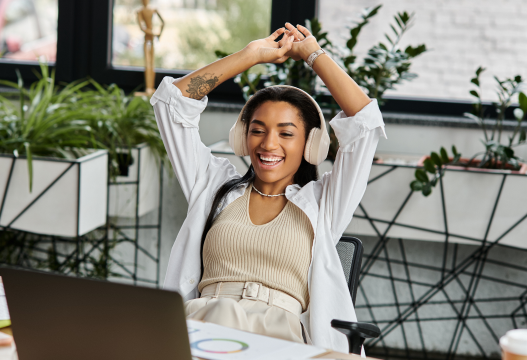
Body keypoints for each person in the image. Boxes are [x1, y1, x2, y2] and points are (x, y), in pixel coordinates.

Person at [150, 23, 386, 352]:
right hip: (203, 327)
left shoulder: (323, 203)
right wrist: (250, 56)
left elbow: (365, 125)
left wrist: (313, 55)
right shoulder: (213, 185)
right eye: (258, 130)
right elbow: (172, 103)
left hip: (280, 340)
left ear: (311, 143)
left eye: (286, 133)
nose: (268, 144)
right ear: (243, 136)